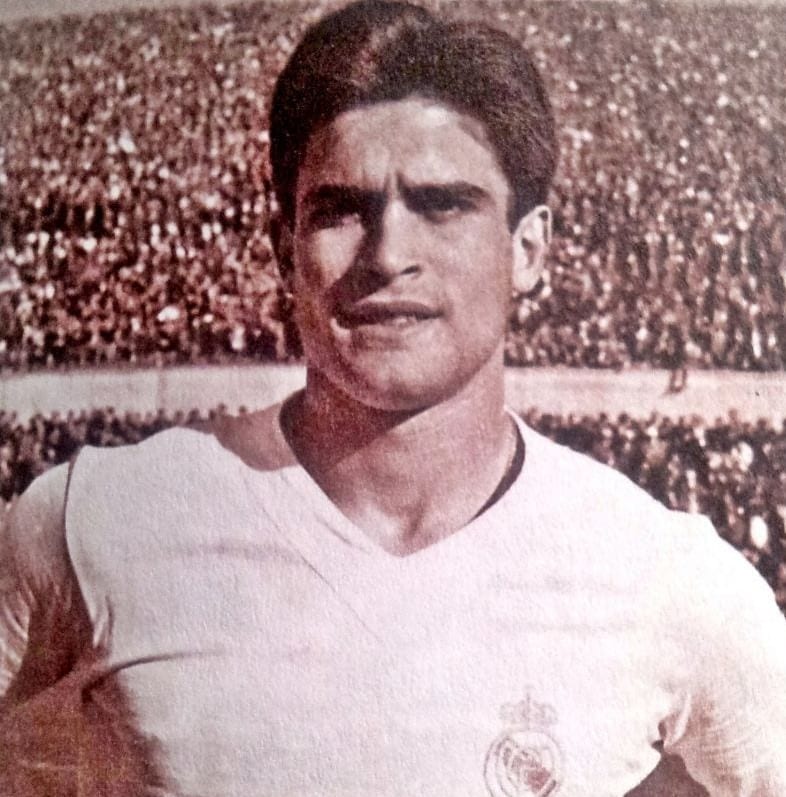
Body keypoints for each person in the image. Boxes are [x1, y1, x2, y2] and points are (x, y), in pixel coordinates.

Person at [1, 2, 785, 795]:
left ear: (528, 249)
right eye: (341, 209)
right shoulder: (94, 523)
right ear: (284, 250)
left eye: (443, 204)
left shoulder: (665, 576)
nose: (387, 254)